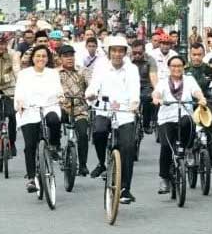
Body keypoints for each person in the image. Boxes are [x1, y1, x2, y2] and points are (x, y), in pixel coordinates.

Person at [86, 36, 140, 204]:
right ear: (109, 52)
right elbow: (94, 85)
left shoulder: (132, 69)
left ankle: (125, 189)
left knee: (128, 147)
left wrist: (134, 103)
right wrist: (91, 94)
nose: (117, 54)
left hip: (125, 111)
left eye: (120, 51)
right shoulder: (101, 67)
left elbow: (135, 89)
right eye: (114, 51)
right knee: (99, 132)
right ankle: (102, 162)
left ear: (125, 53)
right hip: (104, 108)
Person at [153, 55, 208, 194]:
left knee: (188, 122)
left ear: (183, 67)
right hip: (167, 118)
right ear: (169, 68)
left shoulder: (189, 80)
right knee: (166, 146)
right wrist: (157, 99)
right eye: (173, 66)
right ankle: (164, 179)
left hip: (184, 113)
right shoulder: (163, 82)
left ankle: (188, 150)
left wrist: (201, 98)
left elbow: (196, 91)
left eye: (179, 66)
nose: (176, 69)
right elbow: (156, 93)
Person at [15, 45, 63, 193]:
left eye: (44, 56)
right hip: (29, 109)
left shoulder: (53, 73)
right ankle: (31, 178)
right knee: (30, 145)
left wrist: (61, 96)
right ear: (33, 58)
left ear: (48, 59)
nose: (41, 59)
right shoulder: (24, 74)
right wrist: (20, 103)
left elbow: (59, 90)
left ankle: (54, 146)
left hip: (49, 106)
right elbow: (19, 92)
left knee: (54, 120)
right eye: (38, 56)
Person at [185, 42, 212, 165]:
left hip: (205, 101)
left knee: (211, 123)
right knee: (186, 124)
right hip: (188, 101)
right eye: (194, 54)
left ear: (203, 55)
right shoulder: (184, 69)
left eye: (199, 54)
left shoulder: (209, 69)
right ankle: (186, 150)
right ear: (190, 54)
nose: (196, 57)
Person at [57, 44, 90, 176]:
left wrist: (91, 93)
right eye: (66, 56)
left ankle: (82, 165)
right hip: (62, 108)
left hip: (79, 109)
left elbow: (91, 84)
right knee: (52, 121)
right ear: (60, 58)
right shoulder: (55, 73)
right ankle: (54, 147)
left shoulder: (83, 71)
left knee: (83, 134)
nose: (69, 58)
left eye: (71, 55)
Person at [129, 39, 158, 134]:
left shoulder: (150, 60)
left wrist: (157, 90)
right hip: (130, 85)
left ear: (144, 51)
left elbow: (153, 76)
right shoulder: (127, 59)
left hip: (145, 86)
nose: (137, 55)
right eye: (134, 53)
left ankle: (146, 124)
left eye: (140, 53)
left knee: (147, 98)